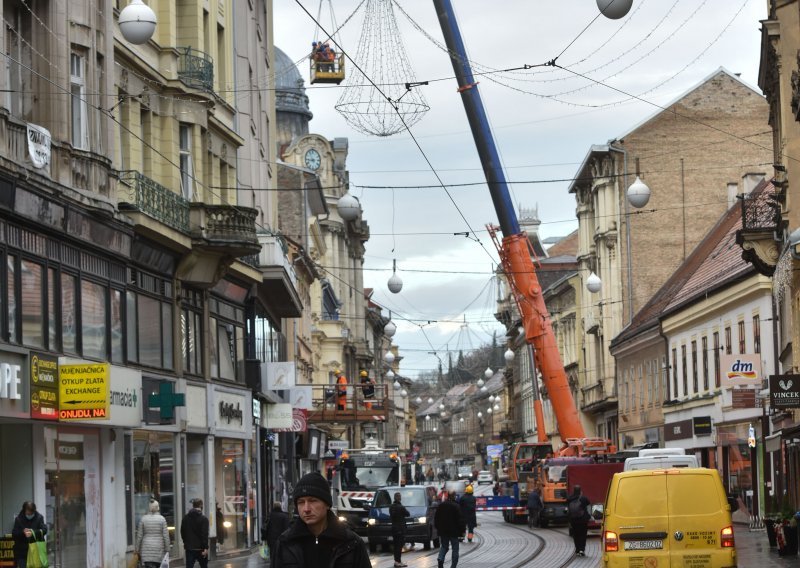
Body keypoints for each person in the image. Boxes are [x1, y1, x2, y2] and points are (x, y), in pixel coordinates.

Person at [271, 472, 371, 568]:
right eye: (301, 502)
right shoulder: (285, 543)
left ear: (327, 504)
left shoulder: (351, 543)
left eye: (313, 501)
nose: (306, 509)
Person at [434, 491, 465, 568]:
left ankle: (440, 558)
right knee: (455, 548)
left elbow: (436, 518)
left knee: (444, 546)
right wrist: (462, 531)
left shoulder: (441, 505)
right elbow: (461, 520)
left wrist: (438, 528)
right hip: (454, 532)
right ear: (454, 496)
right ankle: (453, 566)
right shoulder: (456, 506)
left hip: (443, 531)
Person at [11, 501, 47, 568]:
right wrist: (23, 532)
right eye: (28, 513)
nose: (30, 515)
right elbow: (14, 534)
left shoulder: (39, 518)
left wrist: (33, 532)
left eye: (31, 513)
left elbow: (44, 530)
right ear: (24, 511)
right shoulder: (18, 519)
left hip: (36, 551)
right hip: (22, 552)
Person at [135, 499, 170, 568]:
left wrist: (137, 550)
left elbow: (139, 536)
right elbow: (166, 536)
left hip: (146, 550)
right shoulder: (162, 519)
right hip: (159, 549)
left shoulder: (143, 519)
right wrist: (167, 549)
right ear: (157, 508)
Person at [181, 498, 210, 568]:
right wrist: (205, 548)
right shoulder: (204, 519)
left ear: (193, 506)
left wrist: (186, 542)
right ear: (201, 506)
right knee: (204, 566)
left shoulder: (185, 518)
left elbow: (182, 532)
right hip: (201, 549)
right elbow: (204, 534)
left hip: (189, 548)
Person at [567, 485, 591, 557]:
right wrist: (589, 516)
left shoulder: (570, 498)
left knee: (576, 535)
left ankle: (577, 550)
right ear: (580, 491)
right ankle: (582, 550)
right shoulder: (584, 498)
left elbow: (568, 510)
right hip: (583, 520)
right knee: (583, 535)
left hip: (573, 520)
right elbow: (589, 506)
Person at [389, 492, 410, 568]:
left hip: (394, 528)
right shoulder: (401, 507)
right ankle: (398, 562)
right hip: (400, 529)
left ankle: (396, 561)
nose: (400, 498)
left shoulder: (391, 507)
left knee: (395, 545)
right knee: (399, 546)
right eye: (400, 497)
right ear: (398, 498)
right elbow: (408, 514)